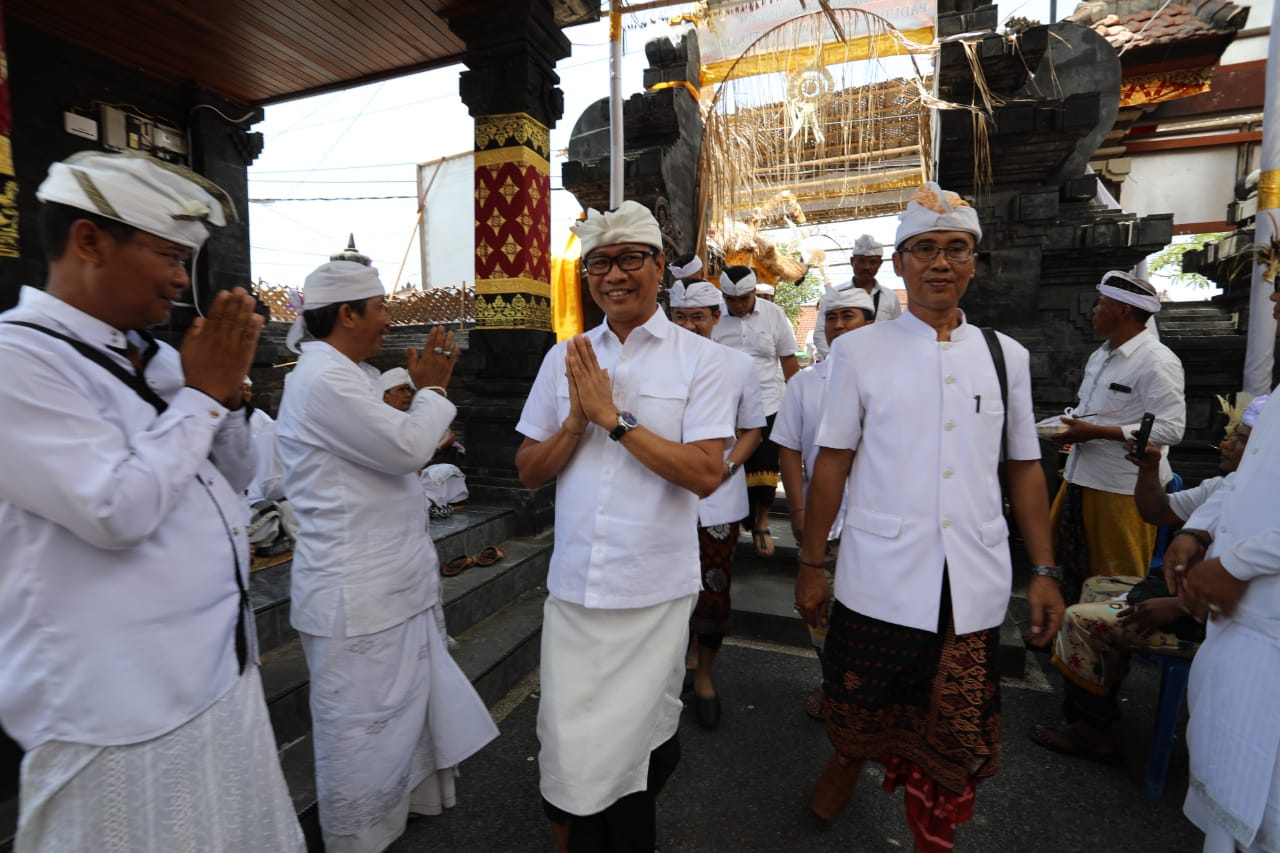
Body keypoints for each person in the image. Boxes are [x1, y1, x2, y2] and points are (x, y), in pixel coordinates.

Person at [0, 151, 304, 851]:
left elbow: (236, 473)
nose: (179, 278)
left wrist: (222, 397)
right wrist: (199, 396)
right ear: (89, 242)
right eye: (169, 255)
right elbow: (115, 510)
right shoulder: (23, 360)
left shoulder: (159, 359)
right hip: (116, 713)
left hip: (215, 678)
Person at [794, 182, 1065, 852]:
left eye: (955, 249)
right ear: (900, 264)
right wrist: (809, 560)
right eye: (924, 249)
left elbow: (1025, 466)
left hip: (970, 579)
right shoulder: (859, 352)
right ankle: (848, 760)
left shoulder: (1007, 357)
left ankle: (931, 834)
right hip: (877, 574)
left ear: (974, 261)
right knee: (859, 705)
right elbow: (831, 463)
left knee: (954, 731)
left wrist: (1044, 570)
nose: (940, 263)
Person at [515, 201, 734, 853]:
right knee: (567, 752)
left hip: (652, 595)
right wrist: (577, 422)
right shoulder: (564, 358)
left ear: (659, 267)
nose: (614, 274)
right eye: (599, 263)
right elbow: (529, 468)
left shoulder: (702, 361)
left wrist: (616, 419)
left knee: (637, 760)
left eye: (630, 258)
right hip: (576, 593)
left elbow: (704, 473)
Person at [276, 260, 498, 853]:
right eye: (379, 310)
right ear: (346, 314)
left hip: (389, 584)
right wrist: (433, 390)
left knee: (401, 713)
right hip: (357, 594)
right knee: (361, 727)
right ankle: (359, 837)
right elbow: (405, 447)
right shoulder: (321, 379)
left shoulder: (347, 374)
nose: (387, 322)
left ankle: (405, 808)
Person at [1030, 395, 1265, 764]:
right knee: (1098, 585)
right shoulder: (1227, 486)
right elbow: (1156, 511)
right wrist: (1146, 469)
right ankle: (1098, 703)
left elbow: (1255, 586)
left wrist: (1175, 607)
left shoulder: (1266, 506)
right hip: (1189, 601)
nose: (1227, 444)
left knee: (1081, 620)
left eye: (1243, 439)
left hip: (1219, 621)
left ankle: (1093, 733)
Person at [1165, 362, 1280, 851]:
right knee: (1232, 807)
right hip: (1244, 629)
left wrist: (1234, 564)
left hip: (1269, 633)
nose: (1273, 295)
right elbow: (1245, 484)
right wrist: (1197, 531)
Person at [1048, 270, 1186, 601]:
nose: (1093, 310)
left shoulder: (1157, 361)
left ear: (1124, 310)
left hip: (1123, 489)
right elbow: (1094, 409)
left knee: (1115, 582)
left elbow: (1171, 428)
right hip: (1081, 477)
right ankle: (1064, 645)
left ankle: (1109, 647)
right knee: (1064, 565)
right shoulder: (1101, 355)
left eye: (1101, 303)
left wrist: (1096, 432)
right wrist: (1072, 424)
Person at [772, 284, 875, 720]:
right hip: (823, 522)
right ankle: (834, 684)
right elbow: (789, 450)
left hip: (877, 521)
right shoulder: (806, 384)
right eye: (831, 318)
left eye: (848, 316)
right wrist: (797, 510)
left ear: (869, 323)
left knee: (872, 613)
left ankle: (865, 691)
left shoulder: (894, 379)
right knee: (818, 611)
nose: (838, 325)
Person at [668, 275, 765, 730]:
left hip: (718, 498)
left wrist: (723, 470)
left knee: (713, 590)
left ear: (715, 317)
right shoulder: (652, 360)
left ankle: (704, 674)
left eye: (697, 317)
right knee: (663, 591)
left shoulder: (739, 365)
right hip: (661, 494)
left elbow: (752, 430)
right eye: (680, 317)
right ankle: (665, 675)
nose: (689, 326)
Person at [712, 264, 799, 557]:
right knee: (728, 470)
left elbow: (788, 361)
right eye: (730, 300)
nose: (737, 305)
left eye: (744, 299)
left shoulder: (775, 315)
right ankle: (730, 527)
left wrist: (799, 404)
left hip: (767, 404)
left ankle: (761, 523)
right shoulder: (713, 318)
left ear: (754, 292)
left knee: (765, 467)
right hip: (724, 406)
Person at [810, 233, 901, 360]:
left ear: (880, 264)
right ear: (852, 262)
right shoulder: (834, 295)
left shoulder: (890, 297)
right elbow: (820, 334)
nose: (867, 267)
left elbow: (897, 335)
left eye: (873, 262)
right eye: (861, 261)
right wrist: (835, 359)